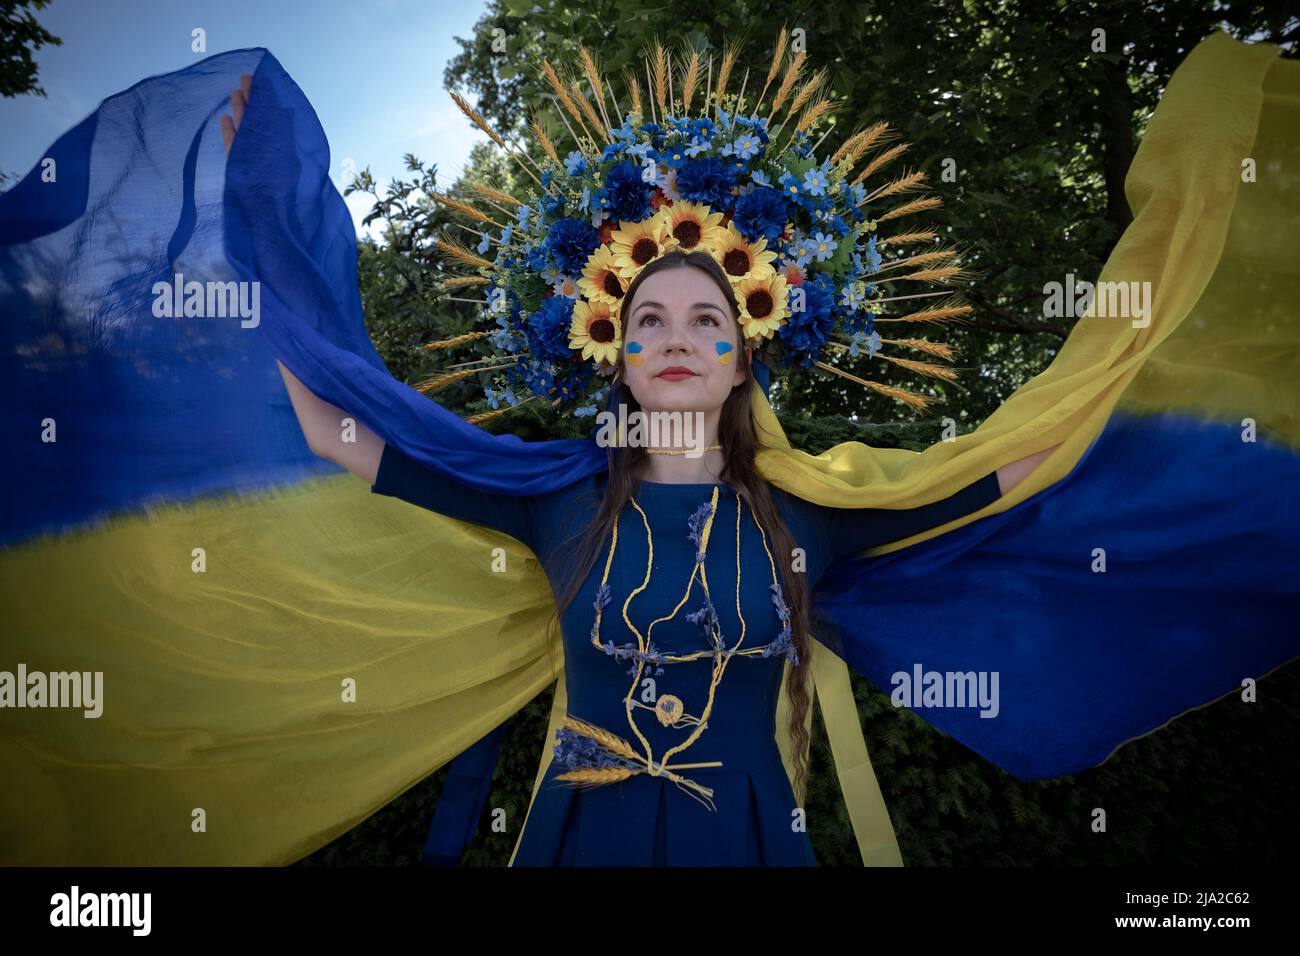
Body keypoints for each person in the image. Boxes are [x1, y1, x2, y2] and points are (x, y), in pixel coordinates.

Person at [1, 32, 1295, 868]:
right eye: (649, 319)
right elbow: (344, 439)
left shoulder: (817, 518)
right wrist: (247, 258)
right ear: (616, 350)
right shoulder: (550, 493)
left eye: (706, 319)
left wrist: (1135, 361)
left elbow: (1004, 480)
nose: (677, 339)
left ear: (742, 351)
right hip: (574, 843)